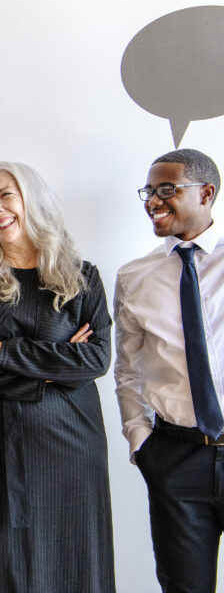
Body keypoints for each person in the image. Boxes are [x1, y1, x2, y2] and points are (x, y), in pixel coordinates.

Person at [0, 161, 115, 593]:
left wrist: (4, 351)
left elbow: (95, 360)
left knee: (75, 562)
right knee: (6, 563)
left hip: (73, 444)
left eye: (5, 195)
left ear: (31, 200)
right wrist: (52, 371)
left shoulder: (81, 276)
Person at [115, 148, 224, 593]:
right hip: (176, 460)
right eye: (149, 191)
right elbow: (127, 370)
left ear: (206, 193)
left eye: (167, 190)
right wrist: (141, 441)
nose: (152, 201)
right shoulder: (135, 276)